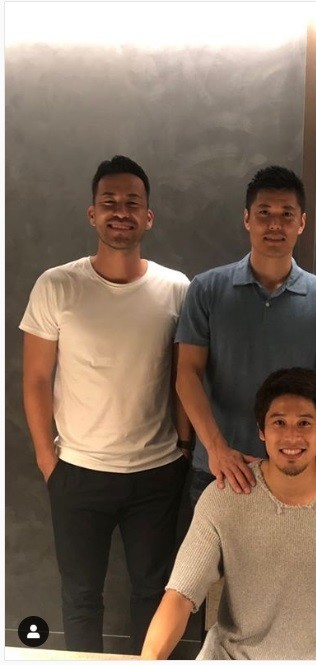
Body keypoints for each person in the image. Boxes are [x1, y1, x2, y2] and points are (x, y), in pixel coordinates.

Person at [20, 155, 191, 653]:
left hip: (157, 473)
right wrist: (47, 459)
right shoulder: (57, 285)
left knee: (154, 595)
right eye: (109, 202)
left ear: (148, 217)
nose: (121, 211)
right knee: (80, 598)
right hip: (77, 471)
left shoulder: (177, 289)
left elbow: (185, 377)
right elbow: (35, 379)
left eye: (132, 202)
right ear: (92, 214)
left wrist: (184, 448)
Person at [140, 368, 316, 660]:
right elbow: (180, 595)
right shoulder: (225, 496)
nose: (292, 436)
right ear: (261, 431)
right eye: (279, 422)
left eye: (305, 423)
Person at [175, 165, 316, 505]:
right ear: (247, 218)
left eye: (286, 214)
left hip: (297, 472)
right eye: (264, 212)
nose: (275, 224)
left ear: (301, 223)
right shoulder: (206, 289)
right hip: (219, 470)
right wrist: (217, 450)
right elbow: (187, 373)